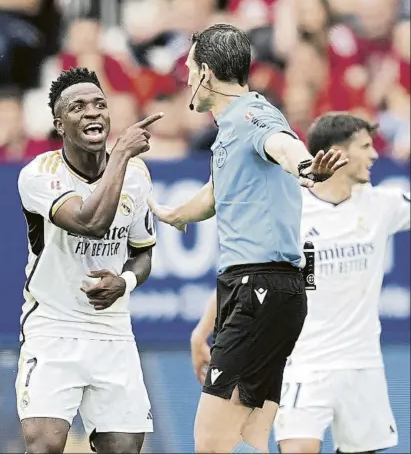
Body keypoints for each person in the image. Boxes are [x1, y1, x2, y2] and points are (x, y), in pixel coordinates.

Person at [148, 24, 348, 454]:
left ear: (205, 73)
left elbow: (283, 145)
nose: (185, 78)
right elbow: (215, 194)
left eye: (188, 68)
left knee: (210, 441)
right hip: (260, 290)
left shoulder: (253, 115)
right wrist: (173, 214)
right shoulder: (229, 131)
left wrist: (309, 168)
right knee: (250, 437)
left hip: (262, 288)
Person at [190, 113, 410, 454]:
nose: (375, 155)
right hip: (301, 360)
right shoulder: (290, 208)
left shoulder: (382, 204)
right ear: (337, 153)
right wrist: (202, 330)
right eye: (366, 147)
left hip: (362, 362)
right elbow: (246, 272)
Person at [15, 67, 163, 454]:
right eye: (78, 107)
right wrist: (123, 155)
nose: (92, 112)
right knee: (44, 445)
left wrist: (124, 283)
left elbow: (143, 253)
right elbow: (89, 222)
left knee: (124, 449)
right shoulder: (39, 175)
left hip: (112, 332)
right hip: (53, 328)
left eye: (100, 104)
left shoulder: (136, 176)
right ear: (59, 124)